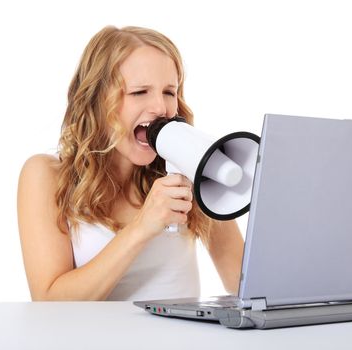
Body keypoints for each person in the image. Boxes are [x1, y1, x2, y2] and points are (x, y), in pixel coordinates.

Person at [17, 25, 244, 301]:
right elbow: (49, 303)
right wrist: (142, 227)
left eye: (169, 92)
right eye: (139, 92)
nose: (161, 108)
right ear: (97, 101)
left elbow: (240, 280)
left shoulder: (188, 169)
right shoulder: (45, 175)